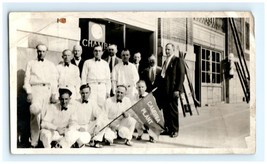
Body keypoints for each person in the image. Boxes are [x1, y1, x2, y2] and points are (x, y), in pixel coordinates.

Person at [23, 44, 58, 148]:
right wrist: (28, 92)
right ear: (36, 51)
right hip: (35, 90)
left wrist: (53, 93)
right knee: (35, 115)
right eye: (39, 51)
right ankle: (34, 142)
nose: (41, 53)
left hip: (47, 90)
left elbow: (54, 80)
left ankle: (45, 140)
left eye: (43, 51)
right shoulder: (30, 63)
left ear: (46, 52)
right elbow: (26, 79)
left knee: (46, 116)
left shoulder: (51, 65)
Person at [155, 43, 185, 138]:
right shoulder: (165, 61)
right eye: (166, 50)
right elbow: (162, 76)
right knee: (166, 111)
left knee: (173, 111)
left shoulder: (177, 60)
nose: (167, 51)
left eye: (168, 49)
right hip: (164, 91)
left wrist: (178, 90)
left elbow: (181, 76)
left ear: (173, 50)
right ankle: (168, 129)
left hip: (172, 91)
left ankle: (175, 130)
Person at [73, 84, 106, 148]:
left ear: (90, 93)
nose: (85, 95)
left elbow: (100, 114)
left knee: (104, 121)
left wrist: (97, 126)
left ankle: (95, 140)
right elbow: (71, 119)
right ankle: (81, 141)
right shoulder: (75, 103)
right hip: (78, 127)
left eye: (86, 93)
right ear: (79, 92)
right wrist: (78, 127)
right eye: (83, 93)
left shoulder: (92, 102)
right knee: (81, 142)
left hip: (88, 126)